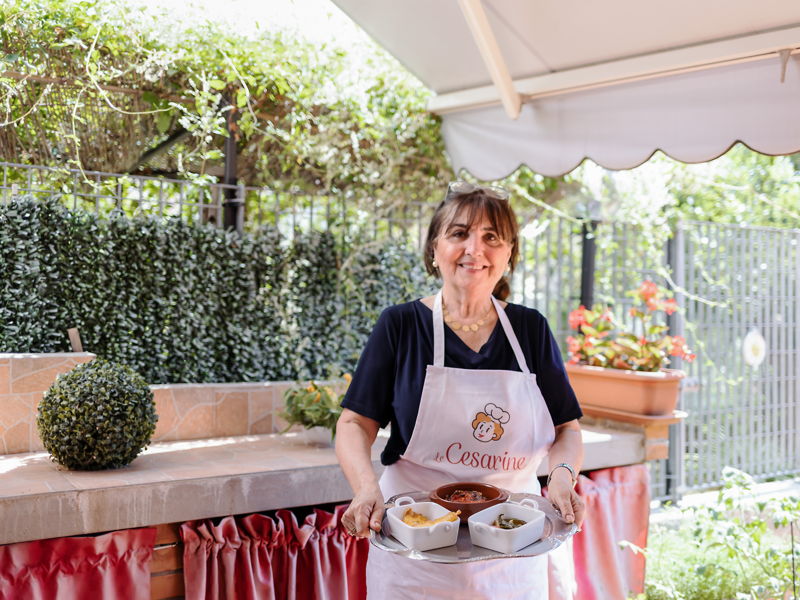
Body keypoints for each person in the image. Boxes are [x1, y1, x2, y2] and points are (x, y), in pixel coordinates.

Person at [335, 181, 585, 599]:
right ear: (434, 248)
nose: (475, 248)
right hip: (415, 537)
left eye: (491, 237)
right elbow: (354, 422)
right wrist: (364, 487)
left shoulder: (530, 329)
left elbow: (568, 429)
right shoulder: (400, 325)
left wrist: (560, 478)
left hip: (513, 537)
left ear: (508, 255)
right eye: (459, 233)